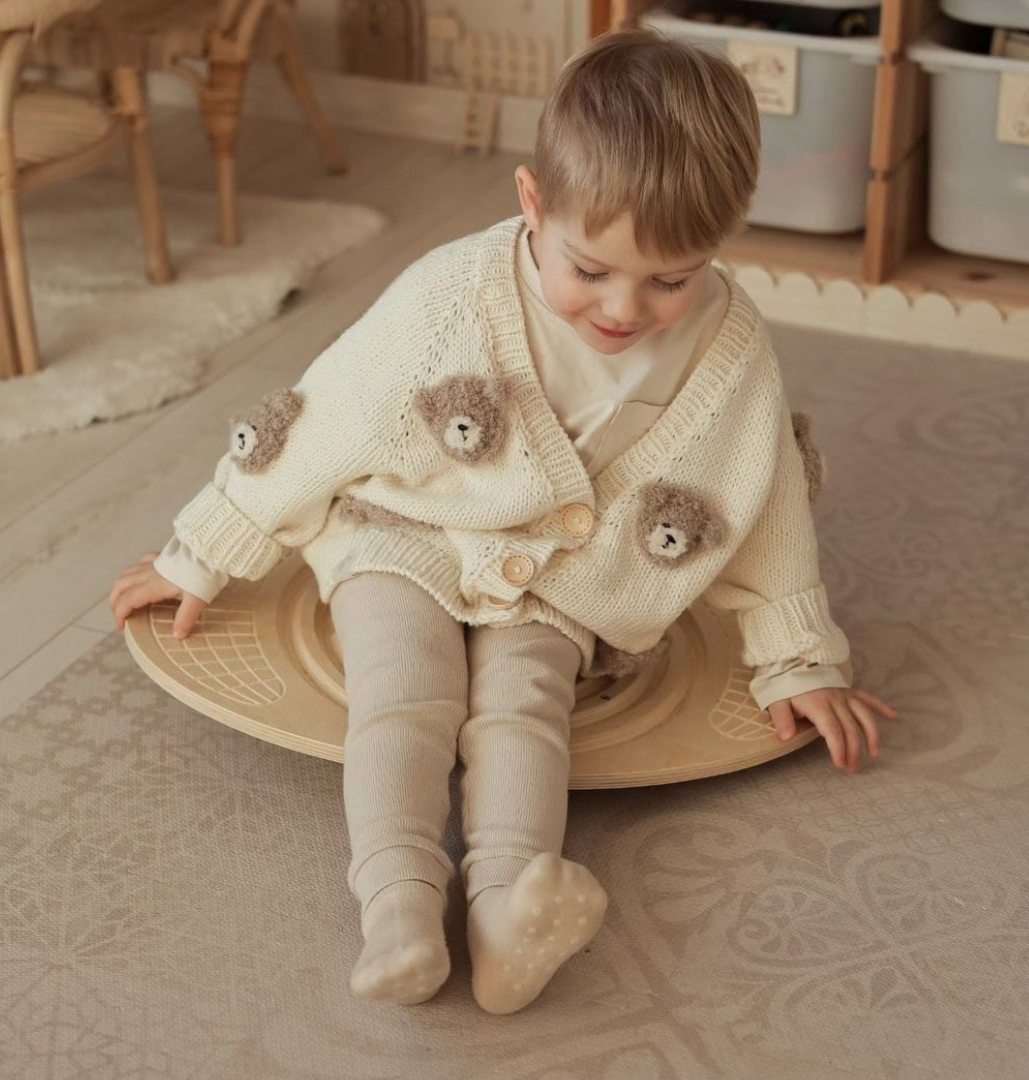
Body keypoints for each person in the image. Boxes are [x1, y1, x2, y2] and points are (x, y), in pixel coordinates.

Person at [110, 27, 898, 1015]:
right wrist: (207, 547)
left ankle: (507, 911)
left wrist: (798, 655)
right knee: (403, 690)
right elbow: (325, 419)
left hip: (565, 568)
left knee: (525, 706)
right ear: (532, 202)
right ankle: (398, 907)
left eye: (671, 279)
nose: (625, 308)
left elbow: (764, 493)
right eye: (591, 269)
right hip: (403, 528)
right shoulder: (450, 297)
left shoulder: (730, 346)